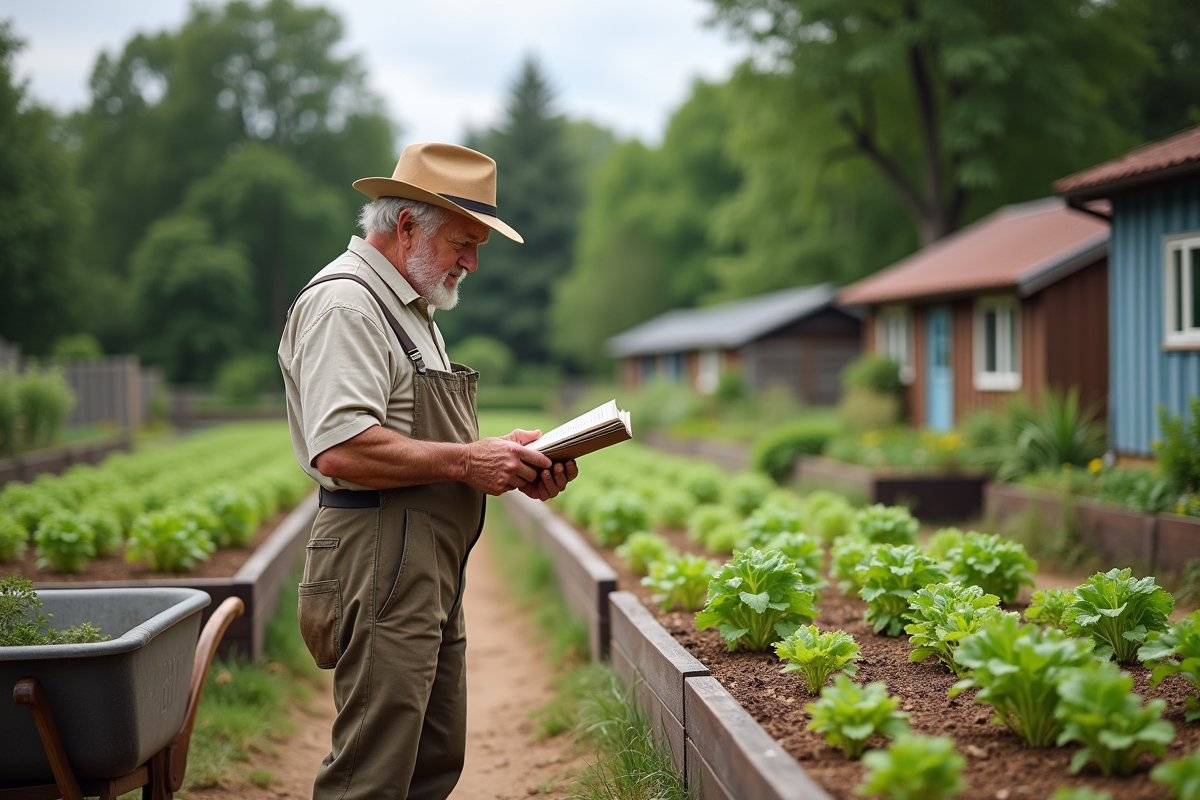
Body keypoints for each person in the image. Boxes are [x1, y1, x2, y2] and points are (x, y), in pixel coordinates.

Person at [277, 142, 578, 800]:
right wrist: (471, 459)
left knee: (431, 757)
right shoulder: (347, 307)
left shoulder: (411, 308)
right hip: (380, 555)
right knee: (373, 772)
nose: (471, 262)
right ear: (406, 226)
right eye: (462, 243)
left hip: (423, 562)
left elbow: (414, 434)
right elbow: (342, 447)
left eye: (477, 247)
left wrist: (509, 455)